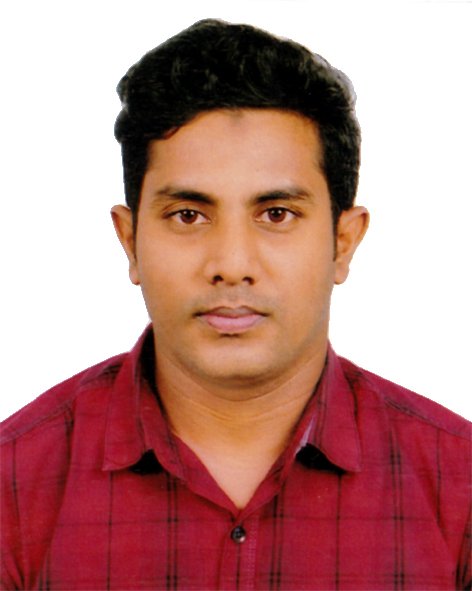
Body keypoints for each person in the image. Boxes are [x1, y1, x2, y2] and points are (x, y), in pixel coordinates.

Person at [1, 18, 470, 591]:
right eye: (188, 215)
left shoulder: (459, 488)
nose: (231, 262)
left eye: (276, 214)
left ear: (343, 243)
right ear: (130, 242)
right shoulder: (14, 487)